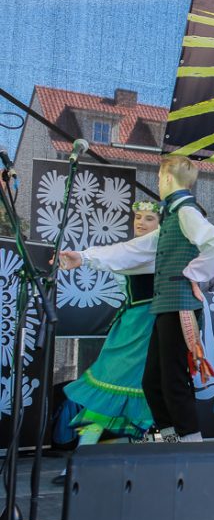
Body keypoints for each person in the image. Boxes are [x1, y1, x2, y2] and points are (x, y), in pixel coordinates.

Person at [60, 156, 214, 443]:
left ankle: (193, 444)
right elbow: (134, 250)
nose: (158, 184)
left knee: (173, 380)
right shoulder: (173, 217)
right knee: (152, 382)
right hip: (164, 307)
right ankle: (171, 438)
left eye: (159, 179)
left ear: (166, 179)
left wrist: (193, 273)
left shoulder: (186, 211)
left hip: (180, 306)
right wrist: (85, 257)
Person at [52, 201, 161, 484]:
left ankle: (150, 456)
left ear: (160, 224)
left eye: (149, 218)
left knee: (139, 395)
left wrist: (84, 257)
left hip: (147, 328)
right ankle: (83, 458)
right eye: (138, 217)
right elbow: (119, 256)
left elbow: (120, 255)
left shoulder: (155, 248)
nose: (141, 222)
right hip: (130, 328)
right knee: (110, 391)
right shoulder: (138, 249)